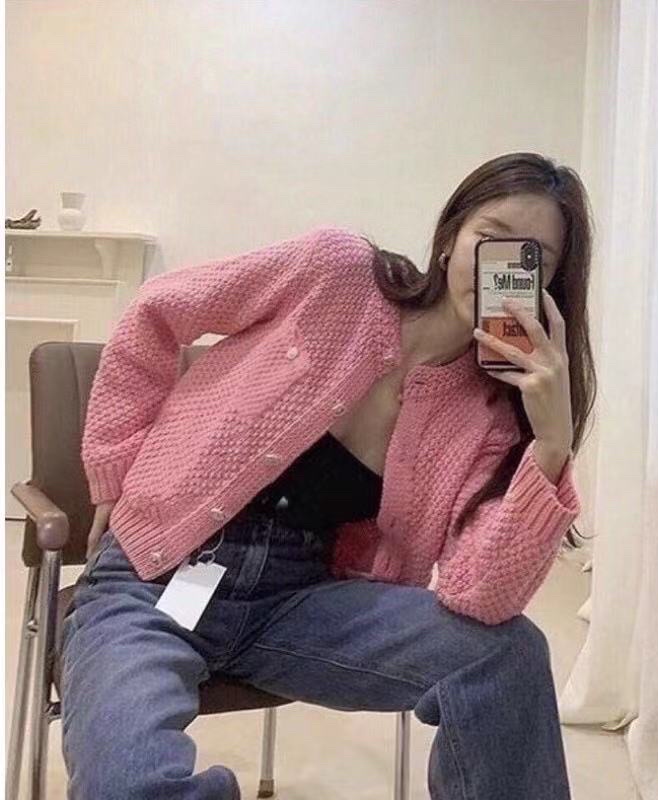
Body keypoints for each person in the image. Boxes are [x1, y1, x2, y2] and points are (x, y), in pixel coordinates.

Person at [60, 151, 597, 799]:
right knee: (127, 783)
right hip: (154, 578)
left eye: (531, 257)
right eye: (491, 237)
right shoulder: (334, 270)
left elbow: (479, 598)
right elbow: (158, 309)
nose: (500, 269)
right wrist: (114, 466)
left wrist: (550, 446)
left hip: (300, 603)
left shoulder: (491, 413)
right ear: (450, 237)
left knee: (508, 654)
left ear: (549, 283)